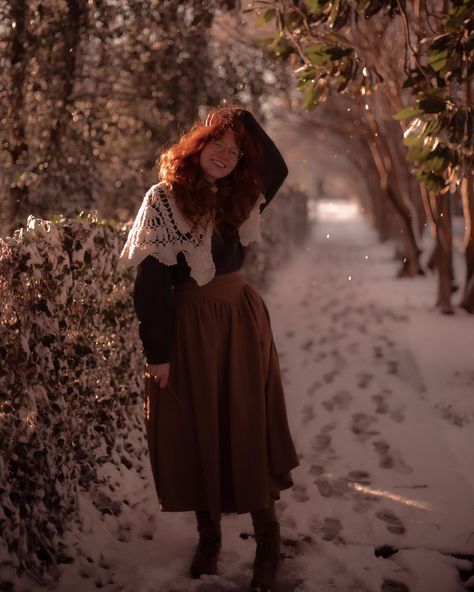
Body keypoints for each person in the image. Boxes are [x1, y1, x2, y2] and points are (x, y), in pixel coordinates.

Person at [119, 106, 299, 592]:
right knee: (198, 427)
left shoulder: (242, 198)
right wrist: (158, 354)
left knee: (248, 424)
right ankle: (210, 539)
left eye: (235, 149)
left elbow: (277, 167)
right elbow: (150, 285)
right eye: (216, 143)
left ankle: (268, 543)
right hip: (189, 327)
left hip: (240, 319)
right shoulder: (163, 200)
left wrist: (237, 117)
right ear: (196, 145)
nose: (224, 154)